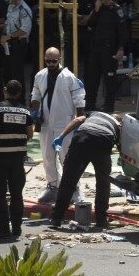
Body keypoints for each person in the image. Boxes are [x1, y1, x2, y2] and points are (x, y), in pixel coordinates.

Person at [31, 47, 86, 204]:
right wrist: (35, 112)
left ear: (59, 59)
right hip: (46, 123)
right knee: (47, 157)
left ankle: (74, 188)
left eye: (54, 61)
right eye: (47, 61)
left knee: (67, 158)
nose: (50, 63)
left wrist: (80, 120)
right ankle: (52, 186)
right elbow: (35, 95)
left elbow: (79, 98)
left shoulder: (69, 77)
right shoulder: (40, 75)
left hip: (65, 123)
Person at [49, 111, 121, 228]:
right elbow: (121, 147)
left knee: (68, 180)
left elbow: (77, 120)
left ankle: (56, 218)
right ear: (119, 121)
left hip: (81, 138)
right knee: (103, 184)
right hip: (102, 142)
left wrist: (62, 136)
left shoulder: (95, 114)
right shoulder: (117, 126)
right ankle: (101, 220)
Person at [0, 80, 33, 239]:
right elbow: (30, 134)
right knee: (17, 194)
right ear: (20, 93)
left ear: (5, 90)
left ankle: (3, 229)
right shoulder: (26, 111)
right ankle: (16, 229)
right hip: (17, 159)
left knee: (0, 194)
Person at [83, 0, 127, 112]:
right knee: (92, 78)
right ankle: (90, 104)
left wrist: (121, 48)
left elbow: (122, 32)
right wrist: (96, 10)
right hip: (96, 48)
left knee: (109, 79)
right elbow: (90, 23)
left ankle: (108, 106)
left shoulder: (117, 10)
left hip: (109, 49)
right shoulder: (98, 8)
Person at [1, 0, 31, 104]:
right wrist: (3, 35)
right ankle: (9, 99)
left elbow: (24, 30)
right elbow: (7, 23)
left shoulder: (24, 9)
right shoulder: (10, 6)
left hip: (18, 45)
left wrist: (8, 36)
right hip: (8, 44)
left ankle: (20, 101)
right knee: (7, 72)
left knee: (17, 75)